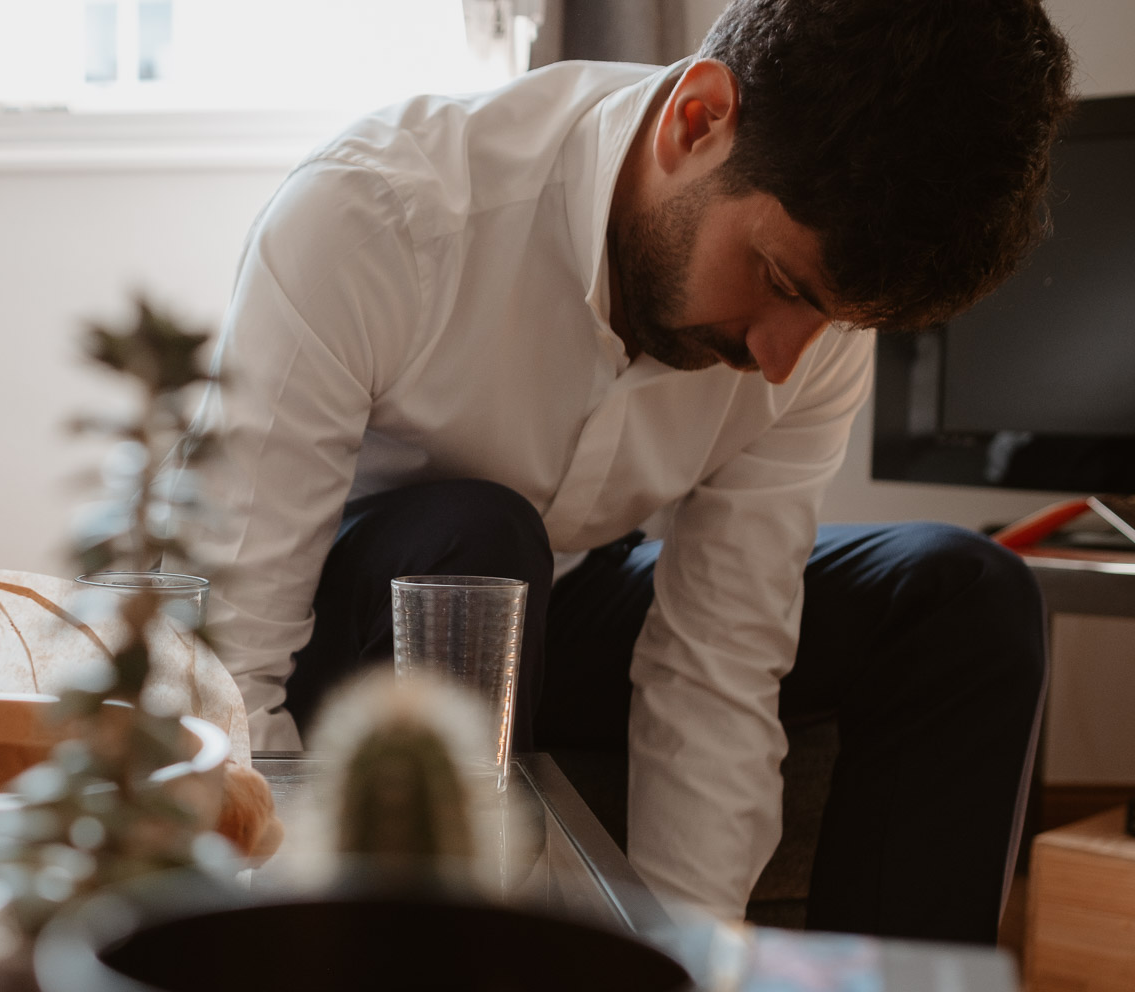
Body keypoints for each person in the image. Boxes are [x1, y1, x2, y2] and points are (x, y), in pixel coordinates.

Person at [194, 0, 1075, 941]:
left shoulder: (805, 339)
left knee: (965, 593)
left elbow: (722, 658)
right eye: (780, 282)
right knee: (479, 540)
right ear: (698, 120)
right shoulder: (377, 215)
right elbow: (230, 652)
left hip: (566, 600)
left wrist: (680, 981)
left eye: (833, 320)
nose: (781, 359)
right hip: (369, 628)